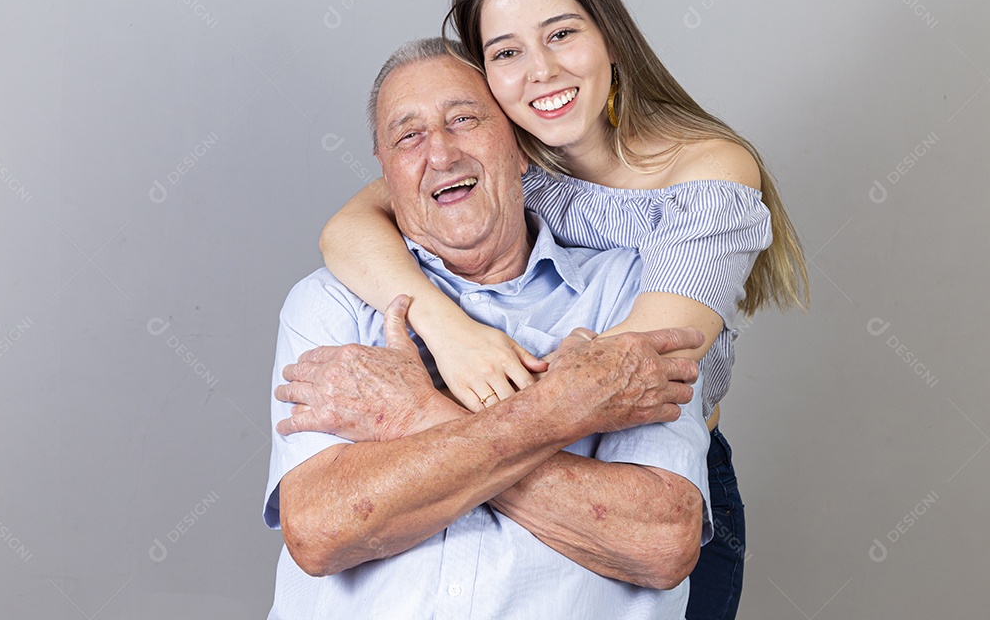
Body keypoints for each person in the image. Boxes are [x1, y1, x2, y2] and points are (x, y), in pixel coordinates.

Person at [319, 0, 810, 619]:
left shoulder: (706, 171)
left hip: (644, 478)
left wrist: (419, 414)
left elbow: (626, 375)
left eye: (561, 34)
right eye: (506, 53)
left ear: (608, 34)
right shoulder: (513, 162)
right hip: (521, 451)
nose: (540, 72)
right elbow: (346, 229)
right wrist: (450, 331)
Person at [264, 38, 713, 619]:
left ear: (521, 147)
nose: (441, 154)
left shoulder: (636, 292)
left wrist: (413, 416)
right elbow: (322, 529)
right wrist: (561, 410)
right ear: (384, 173)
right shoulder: (329, 303)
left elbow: (659, 539)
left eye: (465, 120)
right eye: (408, 136)